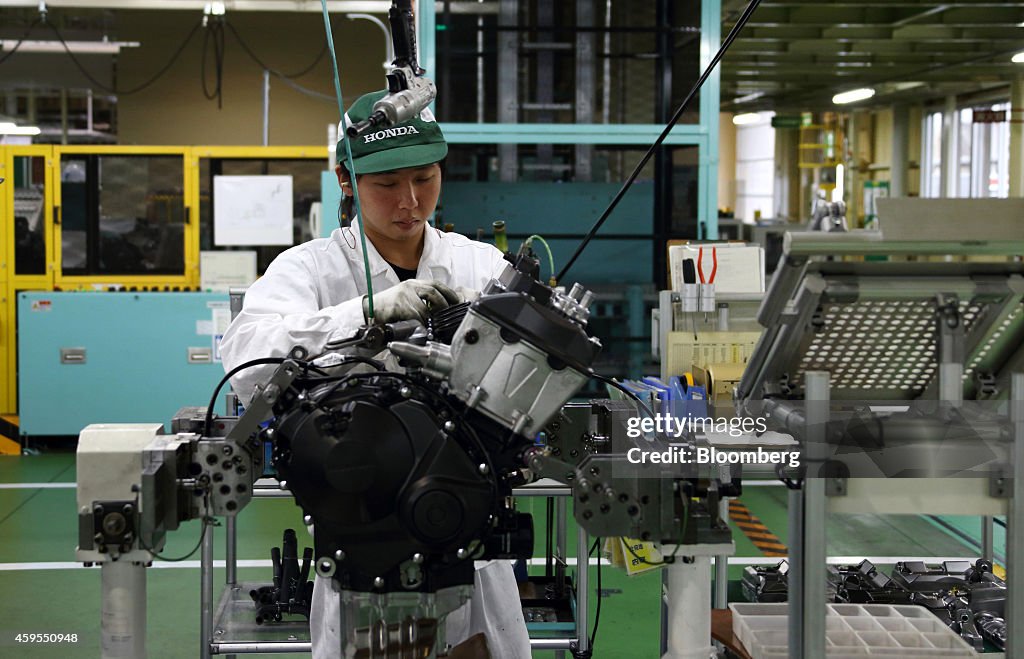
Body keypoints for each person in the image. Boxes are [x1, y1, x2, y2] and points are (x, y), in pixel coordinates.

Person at [219, 89, 530, 659]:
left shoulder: (480, 265)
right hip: (359, 522)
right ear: (346, 179)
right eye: (386, 185)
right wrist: (361, 313)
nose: (410, 201)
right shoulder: (309, 268)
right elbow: (244, 358)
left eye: (425, 179)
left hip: (467, 525)